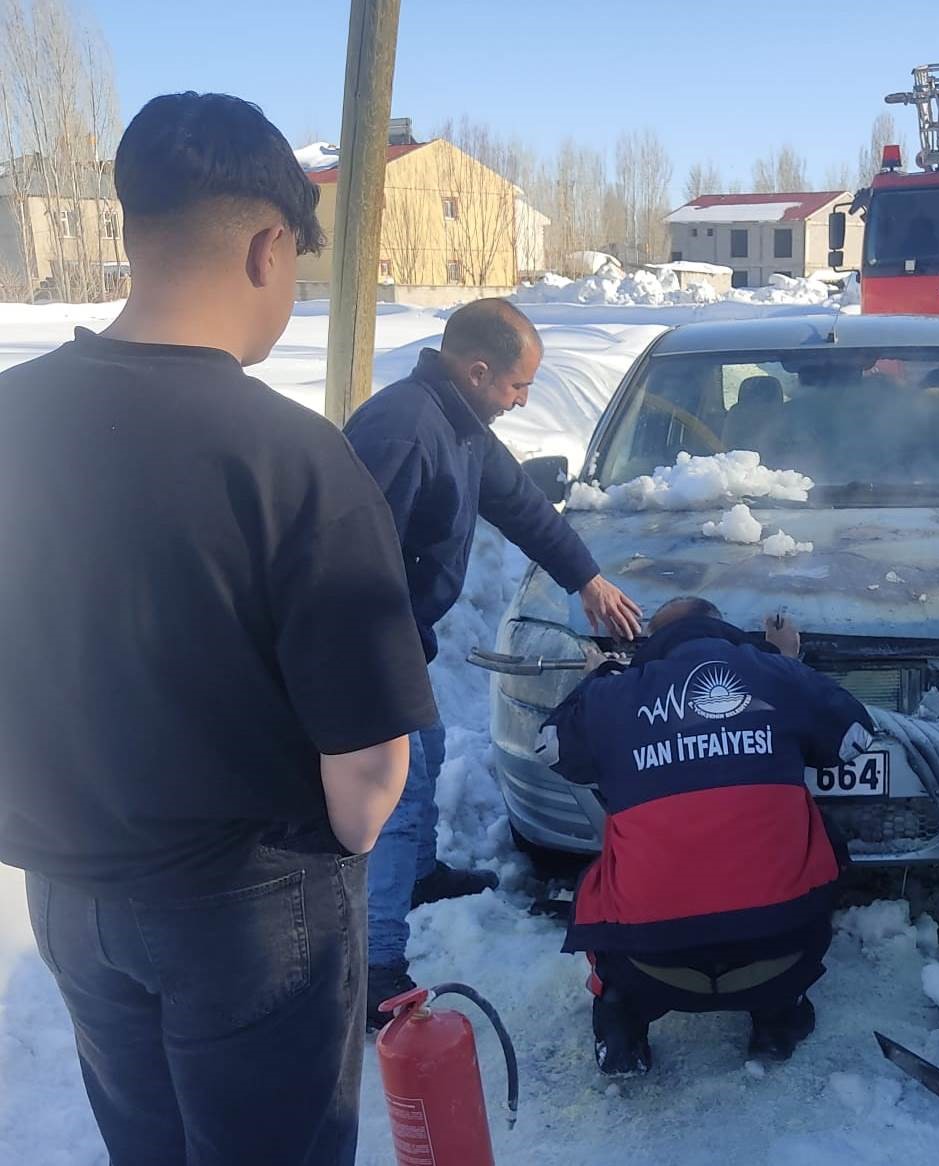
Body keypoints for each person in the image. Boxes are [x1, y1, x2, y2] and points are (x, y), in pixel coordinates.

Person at [0, 93, 435, 1165]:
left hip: (68, 888)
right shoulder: (291, 459)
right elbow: (371, 779)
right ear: (266, 245)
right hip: (248, 904)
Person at [345, 298, 642, 1024]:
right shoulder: (403, 428)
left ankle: (418, 876)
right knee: (395, 786)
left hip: (400, 638)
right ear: (477, 372)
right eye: (518, 387)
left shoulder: (461, 425)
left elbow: (521, 508)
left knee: (431, 751)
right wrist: (371, 658)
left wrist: (588, 579)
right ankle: (374, 966)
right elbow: (342, 553)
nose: (523, 401)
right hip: (363, 644)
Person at [536, 598, 874, 1075]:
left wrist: (597, 680)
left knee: (604, 869)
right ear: (724, 629)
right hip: (781, 956)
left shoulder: (614, 696)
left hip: (648, 964)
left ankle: (620, 1022)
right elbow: (857, 736)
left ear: (652, 645)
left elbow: (549, 750)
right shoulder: (773, 673)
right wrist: (783, 663)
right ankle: (778, 1019)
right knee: (822, 838)